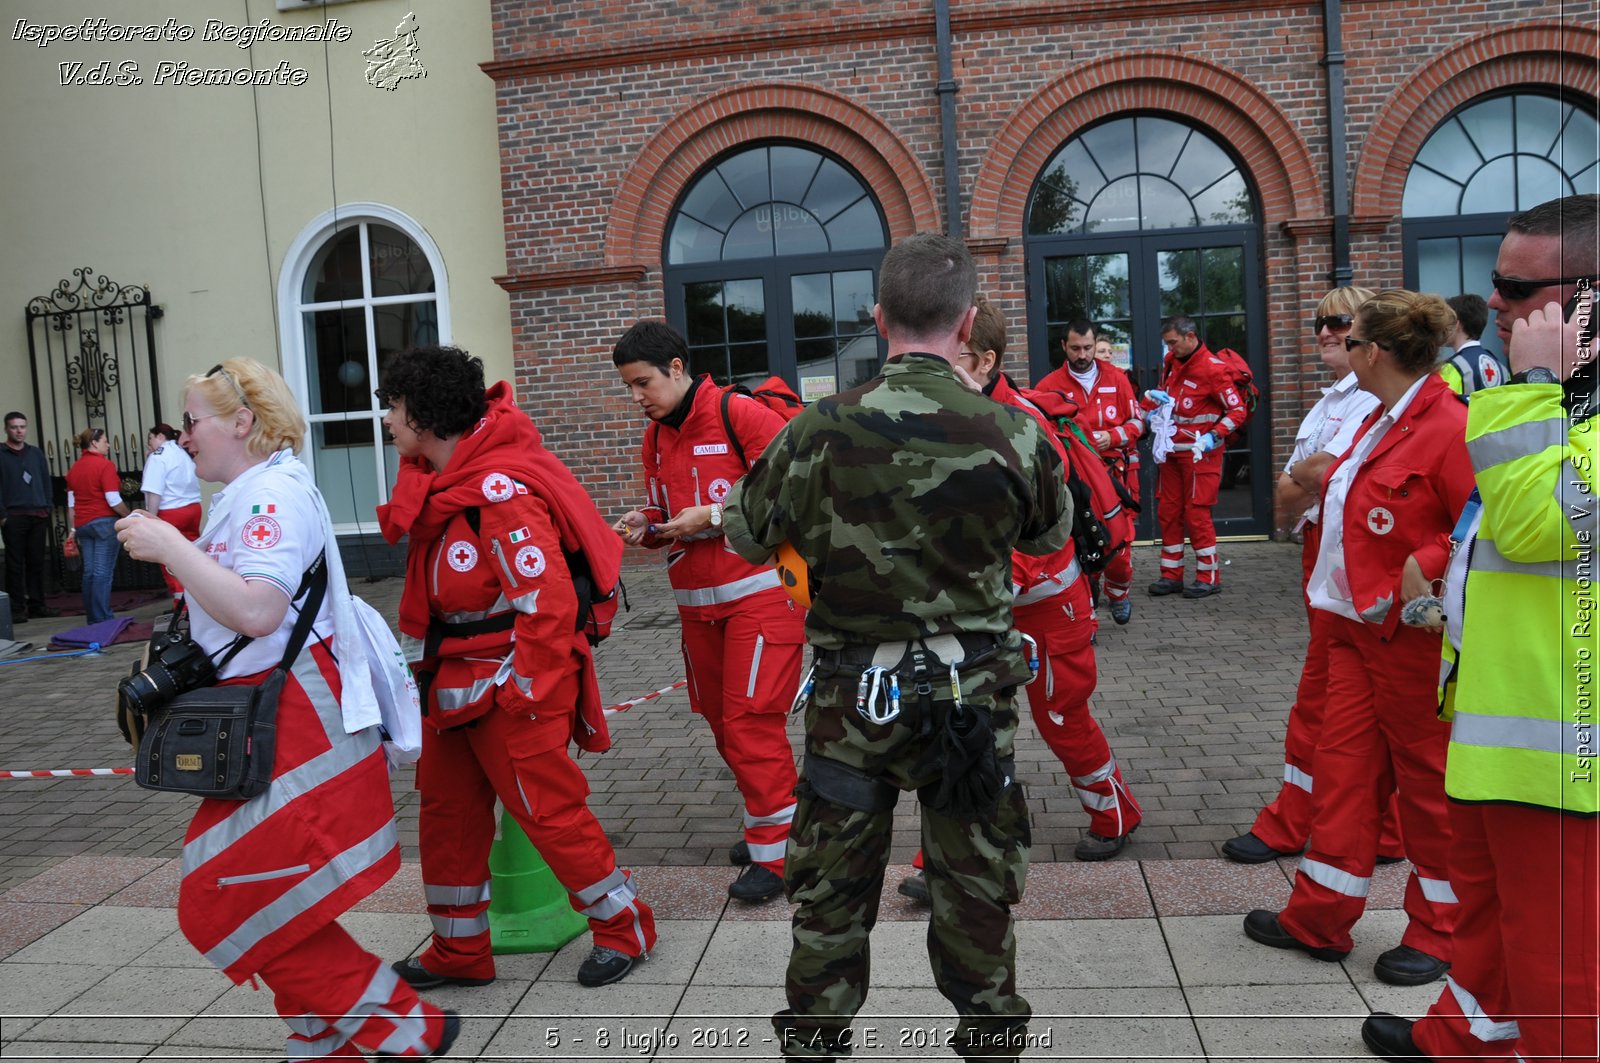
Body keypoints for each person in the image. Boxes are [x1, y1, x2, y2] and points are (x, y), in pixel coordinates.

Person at [722, 233, 1070, 1062]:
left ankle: (814, 1039)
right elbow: (1051, 532)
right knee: (977, 884)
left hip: (854, 702)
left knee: (830, 890)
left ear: (878, 318)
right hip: (971, 698)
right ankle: (990, 1036)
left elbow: (743, 532)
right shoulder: (1015, 433)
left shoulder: (816, 429)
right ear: (967, 321)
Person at [114, 359, 460, 1060]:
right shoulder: (258, 490)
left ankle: (401, 1024)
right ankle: (325, 1044)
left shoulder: (270, 496)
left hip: (295, 719)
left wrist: (172, 547)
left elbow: (258, 607)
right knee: (263, 900)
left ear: (242, 422)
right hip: (278, 716)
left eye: (192, 421)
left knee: (224, 896)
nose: (183, 437)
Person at [1363, 193, 1599, 1063]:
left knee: (1565, 975)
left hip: (1568, 758)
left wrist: (1533, 385)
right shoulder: (1572, 403)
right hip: (1504, 729)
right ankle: (1466, 1034)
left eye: (1514, 286)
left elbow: (1544, 526)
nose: (1491, 302)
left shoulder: (1551, 401)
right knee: (1494, 926)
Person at [376, 345, 657, 990]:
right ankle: (458, 951)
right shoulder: (444, 488)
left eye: (392, 406)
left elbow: (548, 604)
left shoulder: (496, 493)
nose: (387, 420)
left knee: (551, 816)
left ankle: (625, 927)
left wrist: (522, 689)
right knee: (447, 823)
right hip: (450, 690)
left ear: (421, 414)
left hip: (509, 687)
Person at [1242, 291, 1473, 990]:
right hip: (1347, 628)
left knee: (1428, 790)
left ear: (1373, 351)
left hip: (1407, 639)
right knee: (1340, 773)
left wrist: (1425, 563)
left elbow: (1477, 521)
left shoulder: (1449, 426)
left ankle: (1442, 930)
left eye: (1350, 342)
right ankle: (1319, 915)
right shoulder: (1374, 419)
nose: (1342, 350)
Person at [610, 320, 804, 904]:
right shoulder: (655, 437)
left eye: (643, 383)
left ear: (676, 367)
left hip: (761, 598)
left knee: (750, 724)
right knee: (722, 724)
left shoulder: (738, 414)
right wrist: (648, 524)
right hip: (697, 609)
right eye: (628, 387)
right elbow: (664, 507)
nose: (637, 397)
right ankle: (774, 824)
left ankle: (778, 858)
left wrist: (714, 518)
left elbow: (791, 494)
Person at [1224, 287, 1404, 865]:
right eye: (1319, 323)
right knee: (1361, 703)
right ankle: (1383, 829)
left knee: (1324, 701)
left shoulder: (1371, 399)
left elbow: (1319, 474)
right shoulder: (1338, 398)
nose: (1326, 332)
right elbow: (1295, 485)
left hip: (1352, 561)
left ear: (1372, 337)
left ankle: (1294, 823)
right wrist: (1300, 484)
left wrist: (1301, 482)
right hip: (1325, 552)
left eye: (1340, 322)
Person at [1035, 319, 1144, 624]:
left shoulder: (1118, 379)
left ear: (1096, 345)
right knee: (1082, 547)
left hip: (1114, 477)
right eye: (1075, 349)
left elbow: (1138, 423)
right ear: (1063, 347)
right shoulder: (1048, 386)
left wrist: (1114, 436)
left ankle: (1119, 594)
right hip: (1077, 480)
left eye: (1087, 347)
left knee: (1120, 546)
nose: (1082, 355)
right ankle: (1089, 614)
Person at [1144, 315, 1249, 598]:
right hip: (1171, 452)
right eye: (1166, 343)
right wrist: (1152, 403)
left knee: (1197, 514)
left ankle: (1208, 576)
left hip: (1200, 455)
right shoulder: (1171, 363)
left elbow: (1238, 411)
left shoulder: (1214, 370)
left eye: (1173, 343)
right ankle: (1171, 574)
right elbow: (1168, 399)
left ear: (1190, 337)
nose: (1169, 349)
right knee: (1168, 512)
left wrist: (1212, 437)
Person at [65, 427, 129, 623]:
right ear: (94, 443)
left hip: (83, 525)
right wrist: (129, 516)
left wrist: (73, 529)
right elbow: (112, 499)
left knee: (90, 573)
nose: (108, 445)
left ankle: (93, 618)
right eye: (105, 441)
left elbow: (71, 505)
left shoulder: (74, 468)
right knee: (102, 573)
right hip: (104, 524)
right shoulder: (105, 465)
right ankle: (103, 619)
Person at [140, 422, 202, 606]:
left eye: (150, 438)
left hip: (171, 512)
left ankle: (181, 604)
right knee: (193, 554)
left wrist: (151, 518)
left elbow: (154, 490)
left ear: (160, 436)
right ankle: (199, 597)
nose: (149, 444)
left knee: (170, 558)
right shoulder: (181, 452)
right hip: (192, 508)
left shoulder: (158, 456)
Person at [1, 411, 55, 624]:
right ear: (6, 428)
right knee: (14, 564)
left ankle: (37, 604)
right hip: (13, 515)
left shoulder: (35, 453)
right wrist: (2, 515)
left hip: (38, 513)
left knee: (37, 562)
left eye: (22, 427)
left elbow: (45, 480)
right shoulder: (1, 453)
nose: (19, 431)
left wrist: (48, 505)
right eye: (14, 427)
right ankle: (16, 608)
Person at [1438, 292, 1508, 396]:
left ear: (1457, 324)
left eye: (1445, 322)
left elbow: (1445, 406)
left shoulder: (1452, 368)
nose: (1441, 328)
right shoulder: (1501, 368)